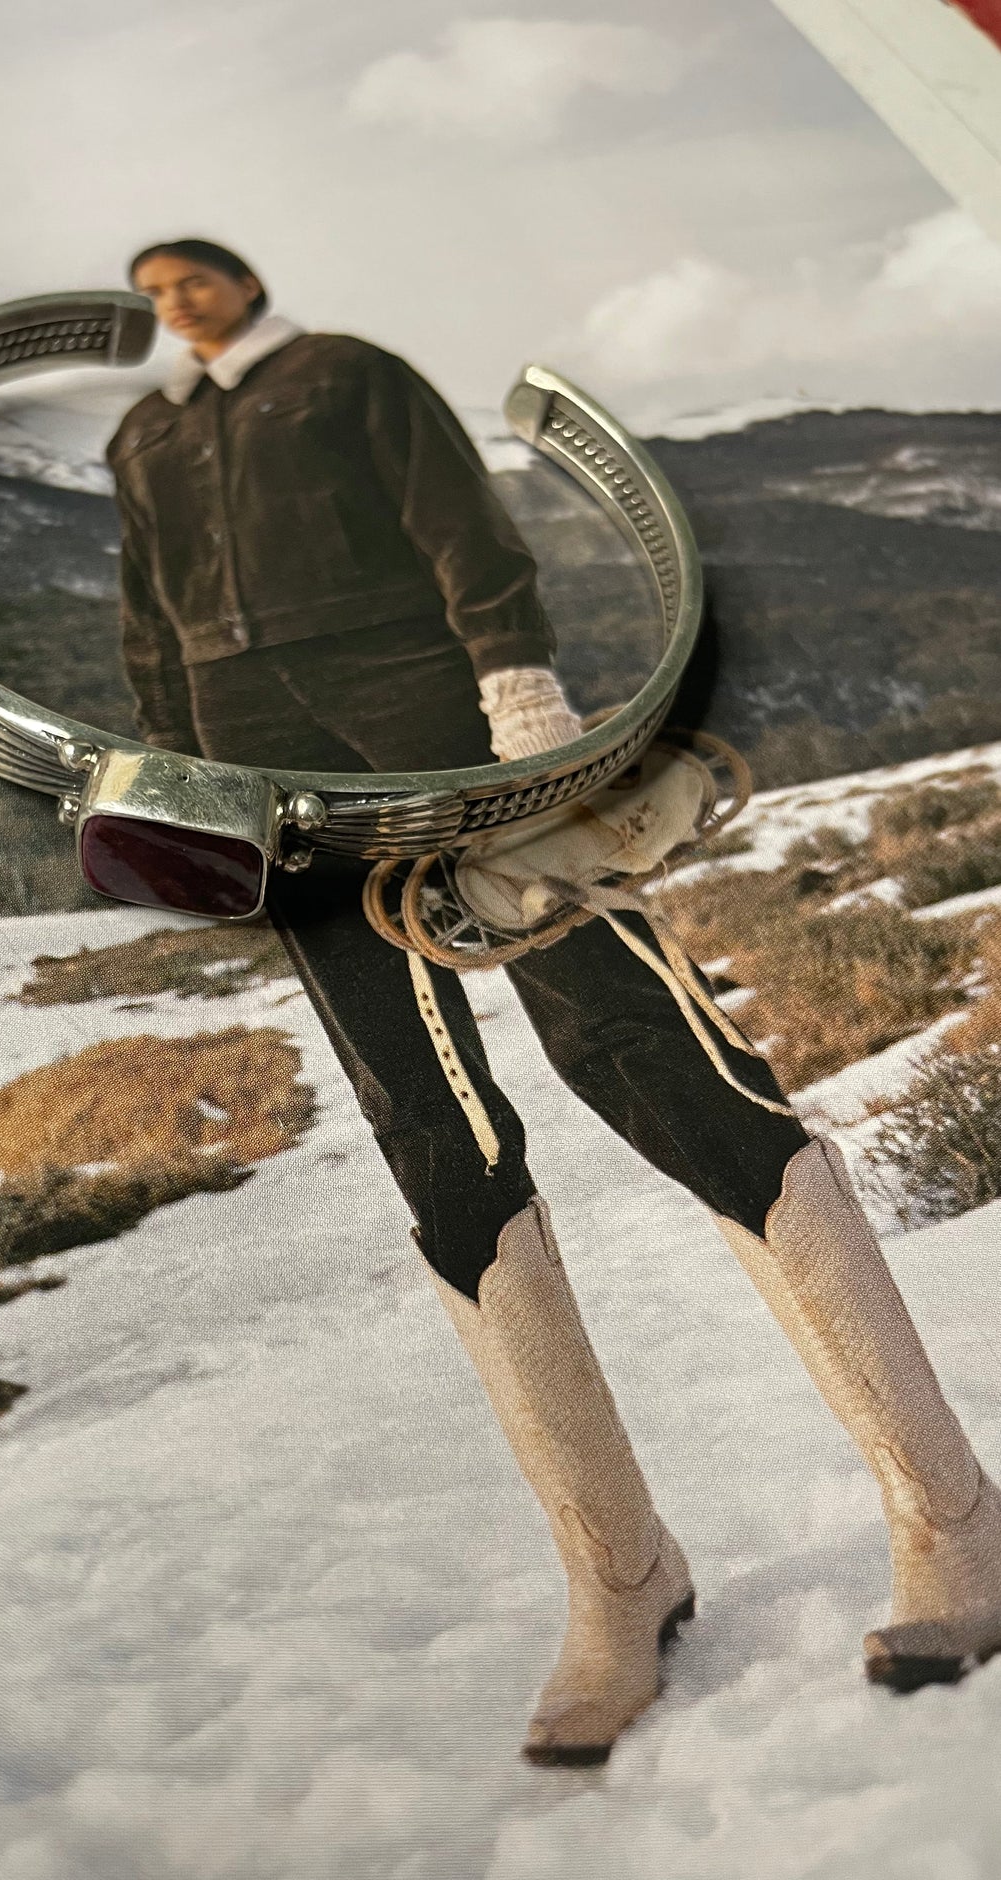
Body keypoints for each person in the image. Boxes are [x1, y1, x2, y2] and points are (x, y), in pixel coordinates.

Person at [105, 236, 1001, 1765]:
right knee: (423, 1135)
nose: (176, 300)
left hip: (444, 734)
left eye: (196, 275)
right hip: (281, 792)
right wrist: (186, 796)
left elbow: (462, 531)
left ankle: (948, 1510)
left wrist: (516, 689)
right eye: (154, 284)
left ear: (247, 283)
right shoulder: (143, 436)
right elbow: (146, 626)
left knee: (655, 1062)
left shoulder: (350, 376)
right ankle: (617, 1570)